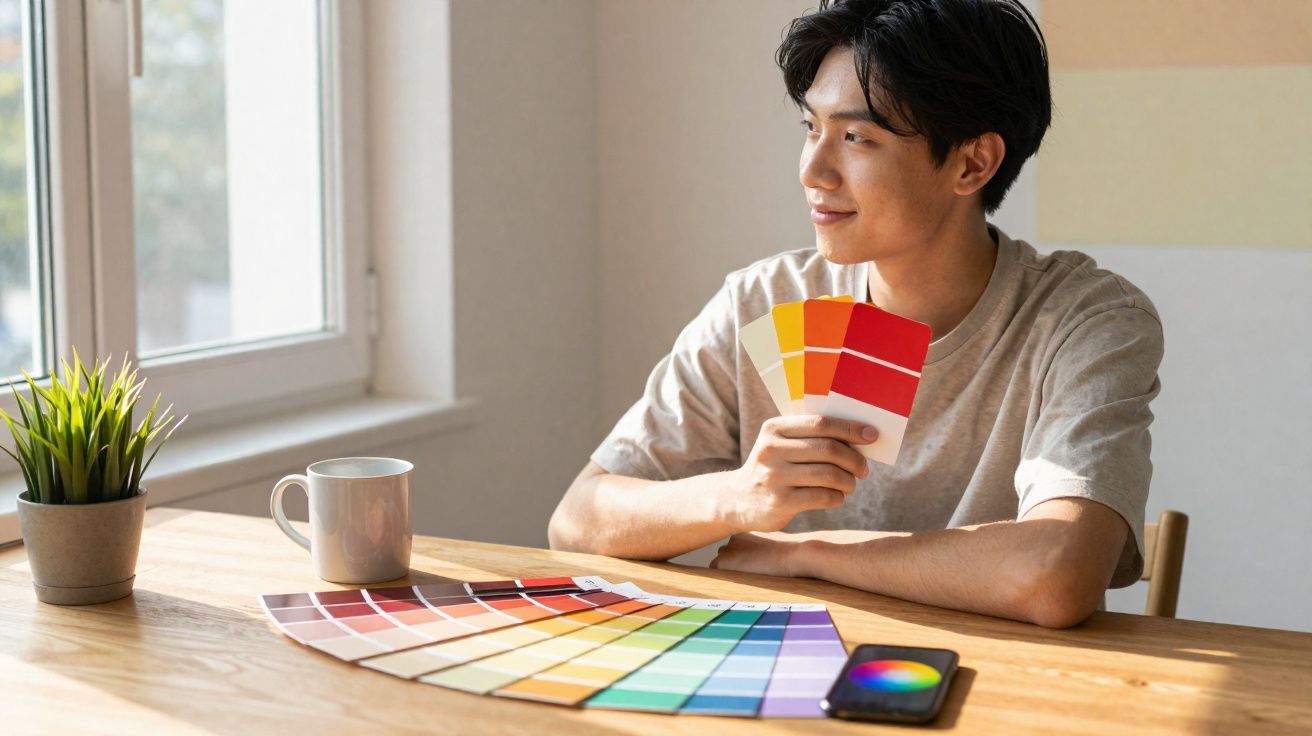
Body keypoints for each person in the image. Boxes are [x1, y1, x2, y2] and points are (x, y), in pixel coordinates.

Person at [549, 0, 1163, 629]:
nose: (813, 171)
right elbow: (576, 522)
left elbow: (1055, 575)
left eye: (855, 138)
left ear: (972, 162)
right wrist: (737, 496)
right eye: (810, 128)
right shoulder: (765, 301)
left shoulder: (1086, 321)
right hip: (784, 679)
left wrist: (808, 553)